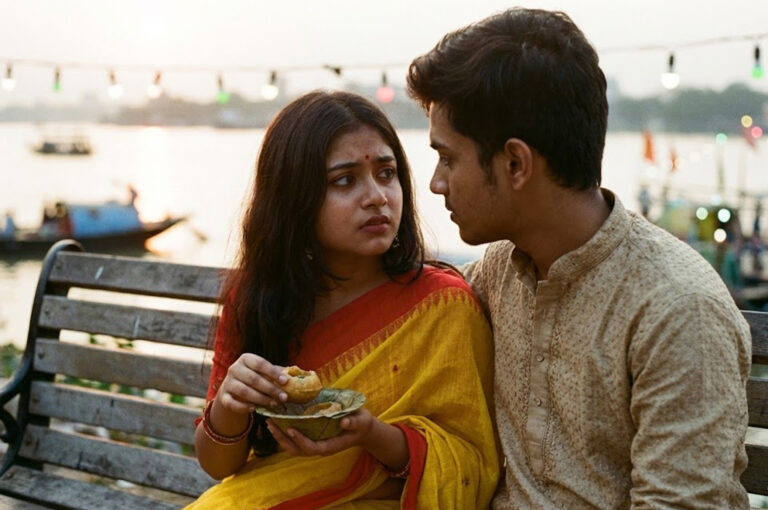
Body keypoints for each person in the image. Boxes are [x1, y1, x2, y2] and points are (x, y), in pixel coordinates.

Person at [407, 8, 750, 509]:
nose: (436, 183)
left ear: (516, 163)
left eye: (448, 158)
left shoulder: (677, 309)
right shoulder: (497, 272)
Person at [187, 91, 498, 509]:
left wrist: (372, 435)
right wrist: (229, 403)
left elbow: (468, 462)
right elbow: (218, 464)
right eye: (345, 180)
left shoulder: (441, 306)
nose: (377, 197)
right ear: (294, 199)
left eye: (386, 174)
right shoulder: (259, 299)